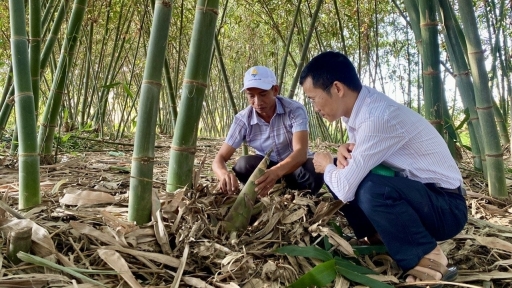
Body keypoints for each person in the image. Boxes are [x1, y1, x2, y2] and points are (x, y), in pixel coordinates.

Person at [299, 51, 467, 285]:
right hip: (422, 196)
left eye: (313, 99)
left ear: (337, 88)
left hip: (446, 207)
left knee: (367, 187)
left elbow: (346, 189)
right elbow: (357, 158)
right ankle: (379, 235)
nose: (315, 108)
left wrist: (327, 166)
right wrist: (340, 154)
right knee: (344, 167)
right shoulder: (357, 111)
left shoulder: (377, 116)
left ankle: (428, 257)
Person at [212, 66, 324, 197]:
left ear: (275, 90)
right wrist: (223, 174)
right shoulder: (243, 120)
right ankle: (266, 191)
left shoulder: (294, 110)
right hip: (266, 168)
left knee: (313, 168)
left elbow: (301, 153)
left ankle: (301, 196)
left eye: (263, 94)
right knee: (243, 165)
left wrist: (276, 172)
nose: (257, 102)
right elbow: (219, 159)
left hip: (295, 167)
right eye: (251, 96)